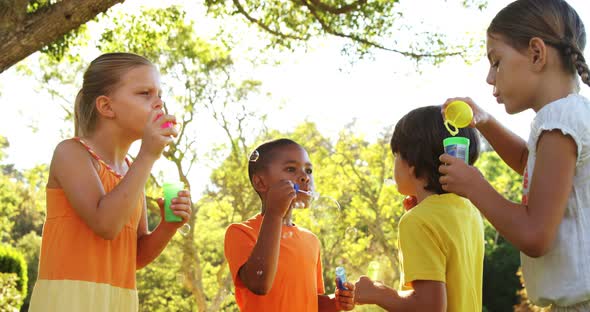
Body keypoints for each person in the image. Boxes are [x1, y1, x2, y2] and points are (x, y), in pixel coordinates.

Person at [438, 0, 590, 310]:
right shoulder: (570, 116)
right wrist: (485, 122)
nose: (489, 78)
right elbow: (528, 163)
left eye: (496, 61)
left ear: (536, 53)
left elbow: (535, 235)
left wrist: (474, 185)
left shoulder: (559, 119)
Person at [28, 52, 192, 311]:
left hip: (117, 301)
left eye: (159, 94)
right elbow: (105, 224)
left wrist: (168, 226)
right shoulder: (71, 153)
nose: (159, 104)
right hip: (70, 301)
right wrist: (147, 155)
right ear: (106, 107)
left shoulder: (130, 170)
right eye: (145, 94)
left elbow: (135, 256)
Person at [354, 106, 484, 311]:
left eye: (396, 155)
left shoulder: (417, 221)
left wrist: (377, 293)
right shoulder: (469, 210)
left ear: (411, 163)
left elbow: (430, 307)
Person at [224, 138, 355, 312]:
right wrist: (274, 214)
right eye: (291, 169)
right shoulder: (241, 232)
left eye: (308, 170)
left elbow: (312, 302)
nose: (304, 177)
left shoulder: (311, 240)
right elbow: (259, 283)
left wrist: (337, 302)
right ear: (260, 182)